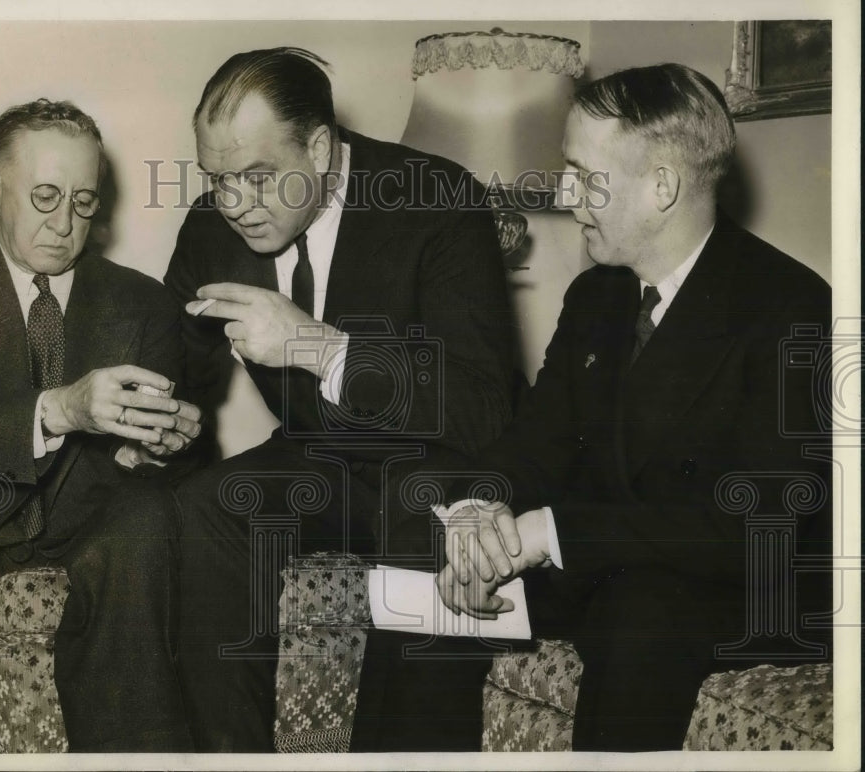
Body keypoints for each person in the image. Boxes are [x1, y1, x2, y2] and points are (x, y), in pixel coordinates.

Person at [358, 63, 833, 751]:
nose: (564, 191)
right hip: (610, 559)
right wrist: (479, 513)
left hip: (740, 582)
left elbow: (754, 526)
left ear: (661, 186)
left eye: (583, 172)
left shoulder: (791, 309)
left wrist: (548, 534)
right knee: (424, 571)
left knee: (640, 612)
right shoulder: (598, 296)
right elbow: (537, 440)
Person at [163, 47, 514, 751]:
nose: (234, 205)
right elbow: (172, 368)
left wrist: (320, 348)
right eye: (218, 179)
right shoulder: (212, 226)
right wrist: (141, 414)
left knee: (422, 513)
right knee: (203, 507)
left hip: (441, 464)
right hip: (319, 464)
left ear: (320, 148)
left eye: (258, 177)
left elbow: (482, 407)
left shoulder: (439, 200)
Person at [0, 98, 202, 751]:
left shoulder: (143, 303)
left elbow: (164, 463)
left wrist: (166, 448)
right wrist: (61, 408)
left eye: (83, 202)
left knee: (149, 520)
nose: (63, 223)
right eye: (45, 196)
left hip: (91, 529)